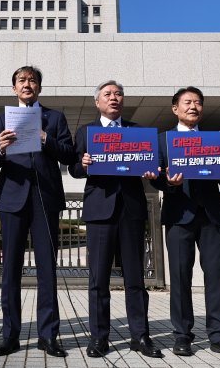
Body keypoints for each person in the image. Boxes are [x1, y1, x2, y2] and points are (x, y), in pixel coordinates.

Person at [68, 80, 164, 359]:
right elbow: (74, 168)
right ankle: (99, 338)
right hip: (100, 210)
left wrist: (151, 172)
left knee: (135, 278)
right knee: (98, 279)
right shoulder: (87, 131)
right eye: (108, 94)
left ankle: (140, 336)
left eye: (118, 94)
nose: (114, 98)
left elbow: (152, 167)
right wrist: (82, 165)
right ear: (97, 102)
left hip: (131, 210)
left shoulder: (137, 132)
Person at [0, 66, 77, 357]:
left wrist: (45, 139)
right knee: (10, 269)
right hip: (13, 197)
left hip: (45, 198)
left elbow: (68, 154)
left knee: (47, 269)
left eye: (33, 81)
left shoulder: (55, 117)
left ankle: (48, 335)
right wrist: (0, 148)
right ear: (14, 88)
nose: (27, 85)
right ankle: (10, 335)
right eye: (22, 81)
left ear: (39, 87)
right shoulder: (4, 117)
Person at [155, 86, 220, 359]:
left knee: (217, 276)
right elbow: (153, 177)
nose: (193, 106)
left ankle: (219, 336)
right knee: (180, 278)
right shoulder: (162, 140)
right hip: (178, 215)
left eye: (198, 102)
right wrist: (166, 182)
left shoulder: (214, 140)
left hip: (210, 215)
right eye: (187, 102)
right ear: (175, 109)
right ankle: (182, 336)